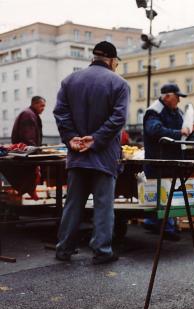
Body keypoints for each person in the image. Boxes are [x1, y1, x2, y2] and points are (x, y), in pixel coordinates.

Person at [53, 41, 130, 264]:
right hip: (104, 154)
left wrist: (71, 137)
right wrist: (96, 139)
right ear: (113, 61)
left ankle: (64, 248)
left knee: (73, 203)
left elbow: (61, 113)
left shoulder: (69, 80)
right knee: (103, 205)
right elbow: (118, 118)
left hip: (77, 153)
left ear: (93, 57)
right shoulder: (119, 83)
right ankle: (102, 250)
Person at [142, 83, 194, 241]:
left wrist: (190, 130)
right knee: (162, 195)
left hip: (171, 160)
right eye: (177, 96)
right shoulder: (154, 111)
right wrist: (179, 132)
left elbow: (181, 134)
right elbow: (155, 131)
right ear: (167, 97)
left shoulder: (175, 111)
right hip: (158, 160)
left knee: (167, 195)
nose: (179, 100)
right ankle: (164, 226)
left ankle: (159, 223)